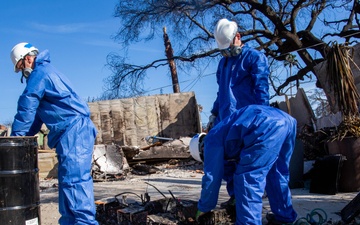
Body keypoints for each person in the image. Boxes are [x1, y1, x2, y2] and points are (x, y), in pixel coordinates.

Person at [10, 42, 98, 225]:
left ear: (27, 59)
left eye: (20, 68)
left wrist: (16, 138)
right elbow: (35, 116)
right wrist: (23, 136)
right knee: (67, 183)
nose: (22, 73)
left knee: (75, 183)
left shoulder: (40, 73)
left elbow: (27, 105)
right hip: (69, 132)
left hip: (74, 130)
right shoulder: (45, 73)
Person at [190, 105, 298, 225]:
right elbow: (229, 169)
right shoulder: (222, 133)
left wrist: (204, 207)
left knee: (247, 180)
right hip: (287, 121)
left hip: (264, 125)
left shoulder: (211, 141)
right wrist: (235, 196)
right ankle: (284, 217)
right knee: (276, 174)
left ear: (201, 149)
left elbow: (212, 179)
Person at [208, 18, 270, 206]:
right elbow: (222, 92)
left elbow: (261, 89)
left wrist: (263, 115)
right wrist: (214, 113)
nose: (227, 52)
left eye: (228, 47)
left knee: (247, 160)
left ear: (238, 37)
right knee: (226, 160)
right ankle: (235, 196)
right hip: (226, 119)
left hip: (248, 118)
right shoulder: (223, 64)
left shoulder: (255, 58)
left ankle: (252, 196)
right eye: (223, 49)